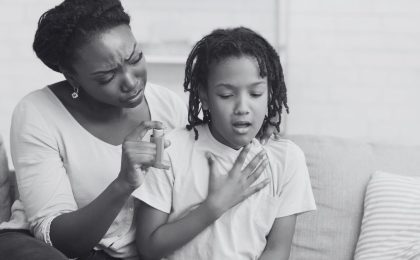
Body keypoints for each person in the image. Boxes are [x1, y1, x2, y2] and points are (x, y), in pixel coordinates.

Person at [9, 1, 273, 259]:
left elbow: (211, 152)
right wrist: (123, 183)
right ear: (72, 76)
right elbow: (58, 241)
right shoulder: (38, 113)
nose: (131, 81)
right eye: (107, 76)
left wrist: (256, 132)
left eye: (135, 58)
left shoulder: (167, 107)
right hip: (47, 249)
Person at [133, 27, 317, 260]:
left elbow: (277, 250)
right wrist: (213, 207)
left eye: (256, 93)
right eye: (227, 95)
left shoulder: (286, 159)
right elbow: (148, 248)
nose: (242, 107)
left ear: (270, 94)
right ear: (205, 98)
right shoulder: (170, 149)